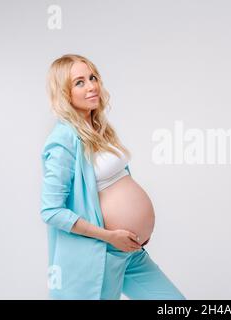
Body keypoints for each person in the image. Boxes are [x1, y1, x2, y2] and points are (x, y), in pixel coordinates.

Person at [40, 54, 185, 300]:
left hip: (130, 252)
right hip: (102, 253)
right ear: (65, 93)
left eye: (92, 77)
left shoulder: (99, 128)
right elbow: (51, 211)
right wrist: (110, 236)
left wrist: (139, 227)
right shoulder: (63, 138)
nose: (91, 86)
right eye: (79, 82)